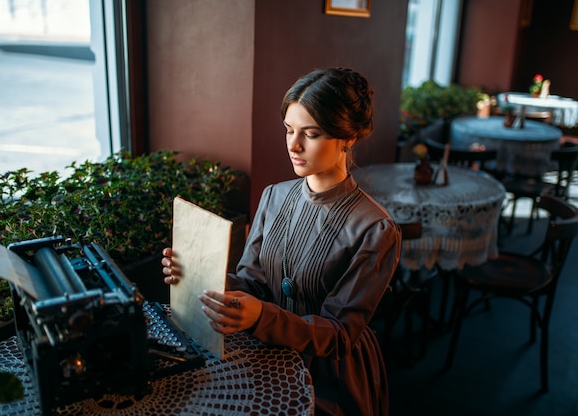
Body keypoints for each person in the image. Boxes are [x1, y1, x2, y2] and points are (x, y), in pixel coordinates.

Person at [162, 67, 401, 416]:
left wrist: (261, 316)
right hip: (265, 351)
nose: (293, 144)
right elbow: (252, 283)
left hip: (330, 374)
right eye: (289, 130)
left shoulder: (375, 228)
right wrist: (196, 273)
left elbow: (338, 335)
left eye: (312, 133)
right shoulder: (274, 197)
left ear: (348, 137)